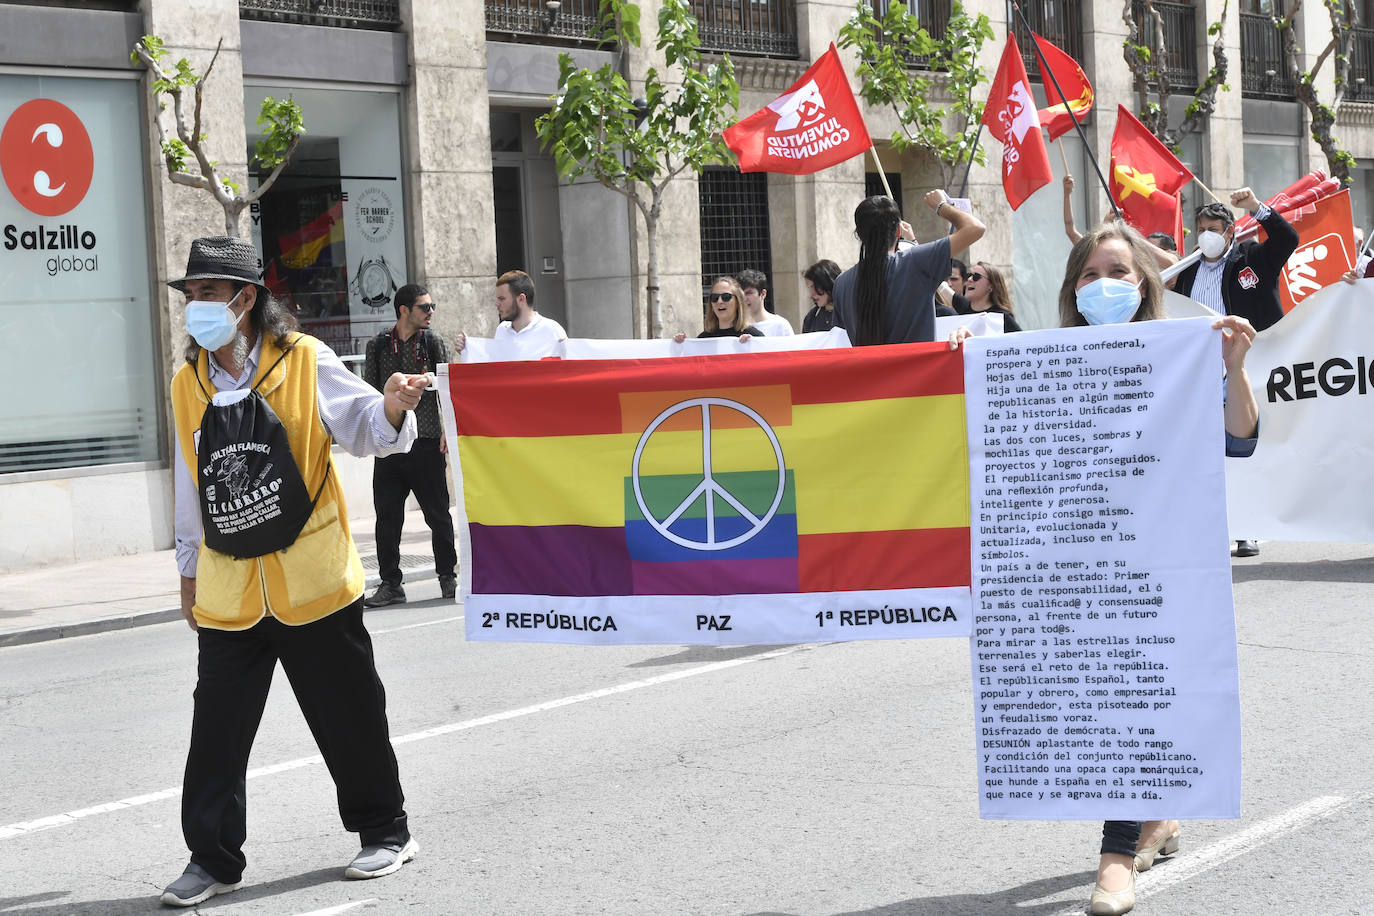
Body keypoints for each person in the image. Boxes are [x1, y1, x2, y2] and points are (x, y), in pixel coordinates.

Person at [955, 222, 1258, 915]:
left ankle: (1115, 856)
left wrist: (1234, 367)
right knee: (1103, 701)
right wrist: (965, 360)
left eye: (1118, 272)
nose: (1104, 286)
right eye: (1089, 275)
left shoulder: (1183, 352)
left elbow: (1240, 441)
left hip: (1158, 569)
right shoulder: (1043, 359)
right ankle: (1157, 818)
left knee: (1127, 699)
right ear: (1071, 291)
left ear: (1145, 284)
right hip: (1075, 570)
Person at [164, 237, 426, 907]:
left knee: (349, 714)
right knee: (216, 733)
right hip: (230, 590)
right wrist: (188, 574)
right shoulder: (188, 384)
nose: (195, 306)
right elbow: (191, 486)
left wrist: (393, 403)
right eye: (190, 294)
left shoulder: (305, 360)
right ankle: (212, 859)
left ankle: (386, 831)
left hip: (312, 581)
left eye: (207, 293)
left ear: (246, 299)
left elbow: (365, 425)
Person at [362, 283, 457, 608]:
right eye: (424, 307)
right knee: (387, 519)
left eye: (432, 306)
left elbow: (447, 387)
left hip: (427, 441)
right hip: (388, 444)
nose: (431, 312)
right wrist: (371, 435)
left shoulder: (432, 341)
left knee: (438, 515)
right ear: (404, 310)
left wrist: (449, 428)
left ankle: (448, 577)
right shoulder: (378, 345)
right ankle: (391, 584)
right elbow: (370, 393)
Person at [833, 190, 985, 346]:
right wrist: (941, 206)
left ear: (858, 234)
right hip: (918, 363)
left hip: (867, 363)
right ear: (899, 230)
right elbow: (975, 227)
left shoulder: (841, 283)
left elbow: (839, 339)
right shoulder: (916, 262)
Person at [1173, 188, 1298, 334]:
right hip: (1202, 346)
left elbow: (1287, 239)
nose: (1206, 235)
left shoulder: (1251, 258)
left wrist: (1255, 206)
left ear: (1230, 231)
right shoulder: (1188, 270)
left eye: (1212, 229)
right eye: (1201, 230)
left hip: (1252, 346)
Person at [455, 269, 567, 358]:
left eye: (502, 299)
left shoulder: (552, 330)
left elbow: (568, 371)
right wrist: (467, 349)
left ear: (521, 299)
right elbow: (492, 366)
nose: (497, 304)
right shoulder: (502, 330)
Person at [673, 276, 763, 342]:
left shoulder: (754, 337)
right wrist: (680, 346)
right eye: (715, 297)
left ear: (738, 302)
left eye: (726, 297)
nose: (719, 301)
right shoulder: (703, 340)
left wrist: (754, 346)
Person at [959, 261, 1023, 332]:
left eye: (976, 276)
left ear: (991, 286)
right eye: (968, 275)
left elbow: (1022, 338)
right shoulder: (960, 310)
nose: (969, 279)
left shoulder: (1002, 317)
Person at [737, 268, 794, 336]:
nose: (744, 298)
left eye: (749, 293)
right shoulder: (734, 326)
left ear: (763, 294)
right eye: (740, 294)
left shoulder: (780, 325)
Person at [801, 259, 841, 333]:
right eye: (809, 287)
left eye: (815, 286)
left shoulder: (849, 313)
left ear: (827, 283)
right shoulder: (811, 317)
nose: (812, 293)